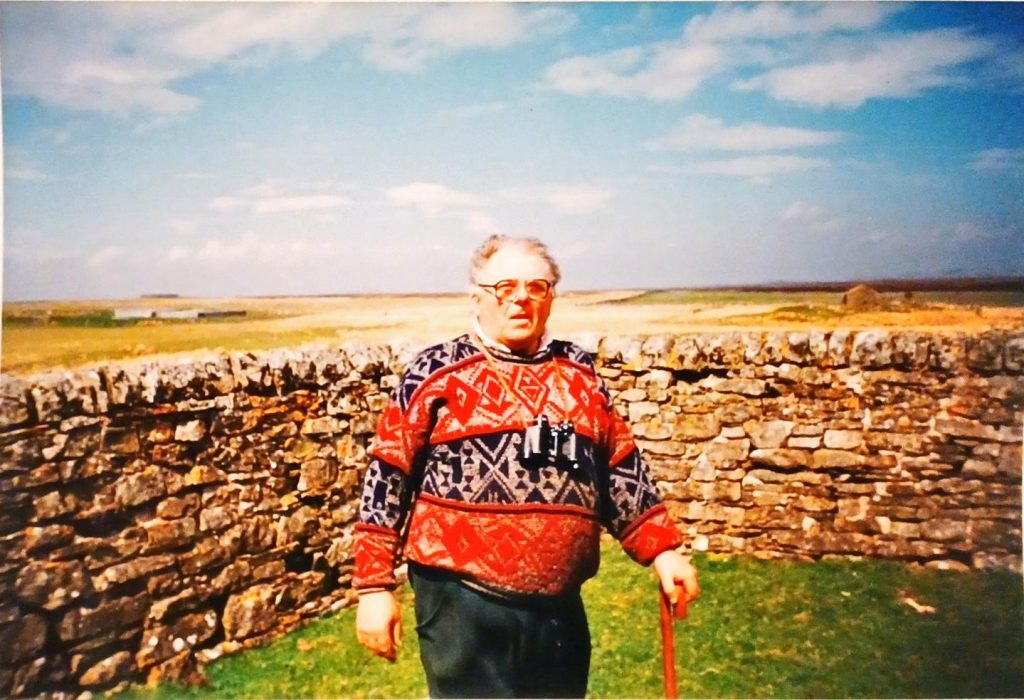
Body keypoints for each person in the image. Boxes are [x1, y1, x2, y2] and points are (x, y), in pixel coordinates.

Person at [353, 234, 699, 698]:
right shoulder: (436, 371)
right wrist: (374, 589)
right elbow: (386, 478)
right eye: (504, 287)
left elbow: (617, 466)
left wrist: (663, 550)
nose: (520, 298)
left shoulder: (578, 371)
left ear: (551, 299)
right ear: (477, 297)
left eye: (536, 287)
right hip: (463, 604)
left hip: (559, 610)